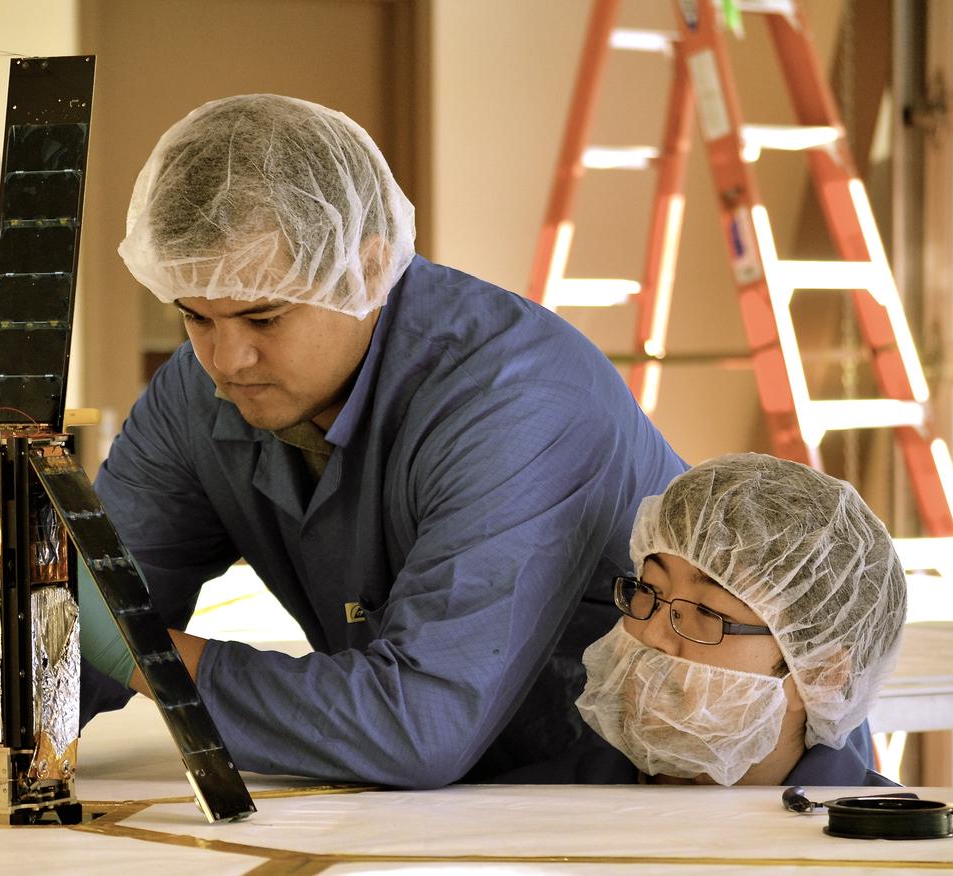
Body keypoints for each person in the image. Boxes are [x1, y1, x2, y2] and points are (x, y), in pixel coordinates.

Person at [74, 92, 687, 789]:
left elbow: (418, 723)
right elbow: (88, 608)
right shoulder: (199, 391)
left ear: (366, 269)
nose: (227, 360)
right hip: (429, 809)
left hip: (642, 798)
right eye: (196, 317)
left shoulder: (518, 396)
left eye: (264, 318)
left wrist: (144, 654)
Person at [505, 452, 905, 786]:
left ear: (820, 676)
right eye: (649, 591)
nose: (653, 633)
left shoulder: (900, 854)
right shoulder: (523, 815)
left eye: (706, 614)